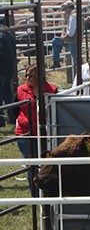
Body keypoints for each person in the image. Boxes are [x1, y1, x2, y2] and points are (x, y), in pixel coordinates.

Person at [14, 64, 57, 196]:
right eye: (26, 75)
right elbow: (14, 109)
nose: (26, 78)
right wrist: (23, 121)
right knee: (31, 166)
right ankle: (35, 195)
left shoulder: (52, 90)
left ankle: (48, 193)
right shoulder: (20, 90)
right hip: (26, 135)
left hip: (46, 135)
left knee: (46, 165)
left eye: (30, 75)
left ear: (38, 76)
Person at [0, 17, 16, 126]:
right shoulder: (9, 34)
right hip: (9, 68)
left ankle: (1, 120)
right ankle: (12, 117)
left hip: (1, 68)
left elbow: (1, 53)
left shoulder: (1, 35)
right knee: (7, 93)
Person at [51, 0, 77, 69]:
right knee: (55, 41)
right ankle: (56, 61)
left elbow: (71, 33)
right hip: (74, 40)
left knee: (77, 61)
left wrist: (63, 37)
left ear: (69, 8)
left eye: (65, 9)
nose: (65, 11)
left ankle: (56, 61)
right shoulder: (76, 14)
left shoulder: (73, 17)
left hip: (72, 41)